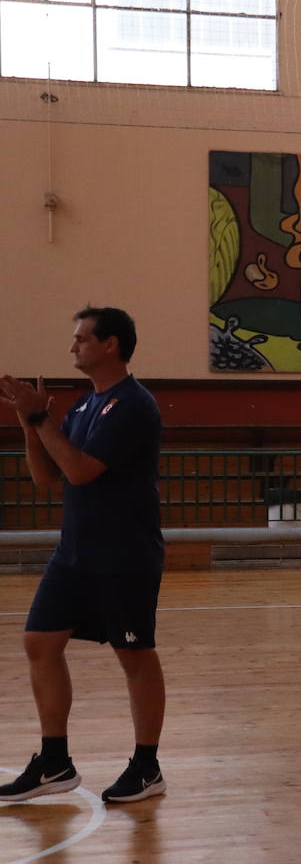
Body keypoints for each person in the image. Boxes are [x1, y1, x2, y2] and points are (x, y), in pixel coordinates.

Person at [0, 307, 169, 803]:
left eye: (81, 339)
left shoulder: (134, 406)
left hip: (124, 554)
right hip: (75, 553)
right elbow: (46, 475)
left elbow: (80, 471)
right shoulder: (82, 407)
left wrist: (40, 417)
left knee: (134, 654)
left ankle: (147, 767)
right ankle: (55, 761)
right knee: (40, 643)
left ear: (110, 344)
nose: (73, 347)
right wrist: (29, 425)